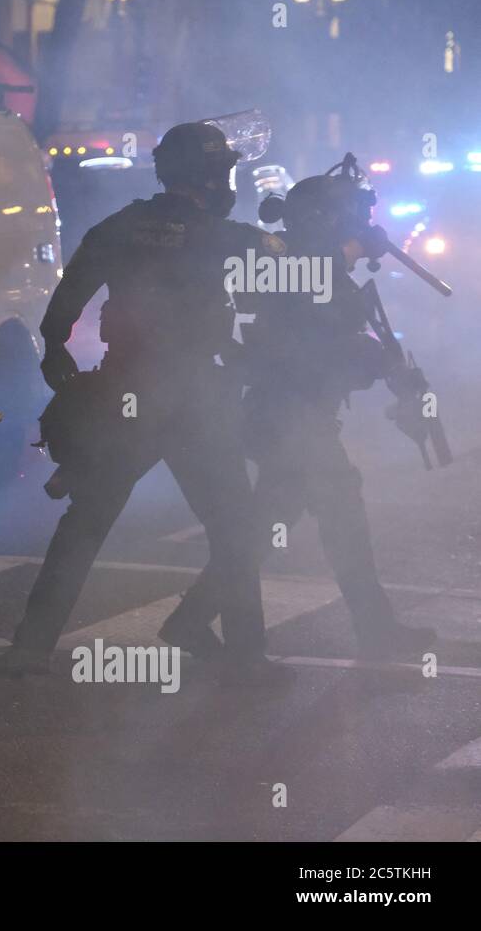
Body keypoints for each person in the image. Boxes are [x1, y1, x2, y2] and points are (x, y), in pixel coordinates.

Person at [0, 121, 291, 687]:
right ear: (208, 176)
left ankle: (29, 649)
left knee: (84, 526)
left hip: (125, 392)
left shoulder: (119, 226)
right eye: (223, 170)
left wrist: (56, 353)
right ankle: (248, 657)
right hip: (197, 399)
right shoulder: (228, 237)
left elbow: (65, 303)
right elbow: (277, 290)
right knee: (236, 530)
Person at [160, 165, 436, 658]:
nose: (361, 233)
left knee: (266, 529)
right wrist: (369, 359)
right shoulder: (289, 265)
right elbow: (310, 344)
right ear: (325, 221)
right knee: (341, 513)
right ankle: (376, 632)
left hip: (292, 417)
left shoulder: (308, 262)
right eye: (351, 221)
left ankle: (188, 620)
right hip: (288, 416)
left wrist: (380, 363)